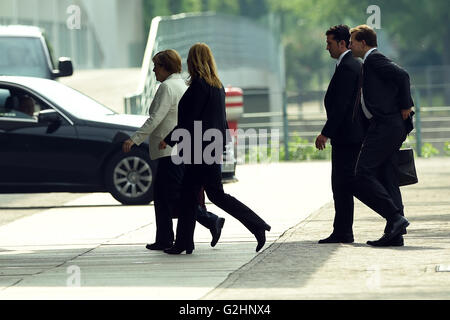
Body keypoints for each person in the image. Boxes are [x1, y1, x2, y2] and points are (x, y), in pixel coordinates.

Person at [160, 43, 271, 255]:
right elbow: (220, 121)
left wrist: (169, 139)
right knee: (192, 196)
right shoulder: (216, 85)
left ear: (194, 61)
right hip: (210, 148)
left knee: (207, 195)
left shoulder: (199, 86)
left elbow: (190, 121)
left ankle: (257, 225)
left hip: (199, 150)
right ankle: (184, 243)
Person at [122, 49, 225, 250]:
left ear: (165, 66)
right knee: (167, 195)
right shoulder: (182, 84)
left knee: (170, 196)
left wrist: (134, 139)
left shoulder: (167, 87)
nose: (153, 71)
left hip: (169, 149)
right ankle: (167, 237)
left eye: (156, 66)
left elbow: (156, 118)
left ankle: (208, 221)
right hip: (179, 148)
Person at [349, 24, 413, 247]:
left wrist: (406, 104)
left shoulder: (374, 59)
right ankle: (395, 234)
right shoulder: (368, 62)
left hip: (386, 126)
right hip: (385, 126)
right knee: (387, 176)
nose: (349, 45)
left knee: (361, 175)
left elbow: (402, 76)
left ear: (363, 43)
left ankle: (395, 218)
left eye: (352, 41)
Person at [316, 25, 364, 244]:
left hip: (347, 136)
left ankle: (344, 231)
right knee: (343, 184)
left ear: (342, 43)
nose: (327, 48)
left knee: (343, 184)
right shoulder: (349, 64)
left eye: (330, 43)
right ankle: (343, 230)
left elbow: (342, 106)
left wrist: (325, 133)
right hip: (349, 136)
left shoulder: (347, 67)